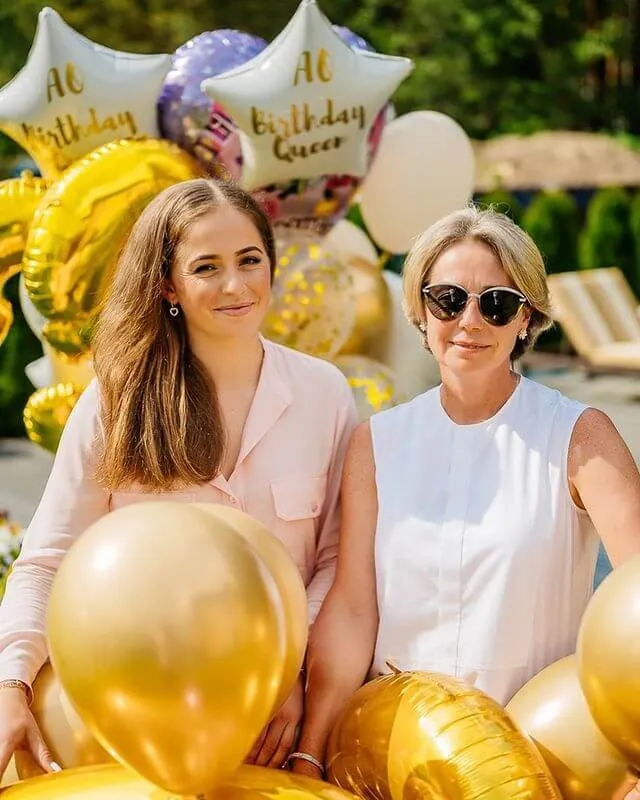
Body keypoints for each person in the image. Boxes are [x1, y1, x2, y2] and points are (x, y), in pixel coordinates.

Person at [0, 178, 358, 778]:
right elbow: (48, 559)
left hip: (275, 727)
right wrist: (10, 683)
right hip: (135, 725)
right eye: (206, 268)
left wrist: (291, 676)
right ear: (167, 284)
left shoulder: (324, 393)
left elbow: (334, 561)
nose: (236, 285)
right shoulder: (115, 401)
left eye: (250, 260)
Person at [291, 206, 640, 786]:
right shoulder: (374, 443)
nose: (469, 321)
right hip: (396, 762)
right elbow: (354, 610)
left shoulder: (581, 436)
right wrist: (310, 752)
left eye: (496, 303)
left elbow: (636, 597)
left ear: (526, 318)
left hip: (542, 760)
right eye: (448, 299)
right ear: (420, 311)